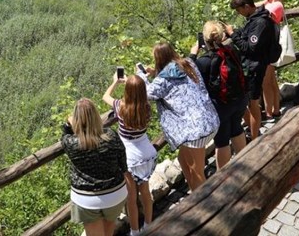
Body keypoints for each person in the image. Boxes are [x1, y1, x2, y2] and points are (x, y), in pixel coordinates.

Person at [137, 42, 219, 191]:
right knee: (182, 159)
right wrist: (155, 71)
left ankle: (205, 202)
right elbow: (171, 74)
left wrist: (141, 76)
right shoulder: (187, 63)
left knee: (197, 170)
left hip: (196, 131)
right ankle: (195, 194)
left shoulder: (162, 80)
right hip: (210, 119)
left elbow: (147, 92)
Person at [61, 98, 128, 236]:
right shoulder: (110, 135)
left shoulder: (71, 143)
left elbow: (65, 133)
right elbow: (123, 164)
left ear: (77, 120)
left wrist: (69, 123)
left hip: (87, 199)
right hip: (115, 193)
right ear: (96, 116)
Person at [102, 73, 156, 235]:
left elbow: (105, 96)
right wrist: (133, 82)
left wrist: (115, 82)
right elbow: (140, 92)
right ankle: (149, 225)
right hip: (146, 154)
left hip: (129, 158)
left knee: (131, 198)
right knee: (145, 193)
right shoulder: (146, 107)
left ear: (127, 91)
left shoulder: (121, 107)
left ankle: (134, 231)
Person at [190, 21, 247, 169]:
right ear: (222, 36)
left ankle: (223, 180)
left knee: (222, 141)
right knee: (237, 129)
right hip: (239, 100)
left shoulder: (203, 62)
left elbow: (188, 78)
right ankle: (247, 166)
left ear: (204, 39)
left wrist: (192, 54)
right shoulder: (231, 50)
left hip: (220, 106)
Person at [225, 0, 279, 141]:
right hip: (250, 67)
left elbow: (250, 48)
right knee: (247, 102)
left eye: (239, 10)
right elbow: (247, 35)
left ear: (247, 6)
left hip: (255, 69)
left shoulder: (260, 22)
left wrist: (233, 35)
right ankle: (253, 132)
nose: (238, 13)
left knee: (253, 104)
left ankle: (255, 139)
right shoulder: (254, 19)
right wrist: (234, 33)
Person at [261, 0, 284, 120]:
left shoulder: (276, 5)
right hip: (270, 46)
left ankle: (268, 112)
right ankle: (275, 109)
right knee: (272, 79)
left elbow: (258, 13)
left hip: (268, 47)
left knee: (266, 81)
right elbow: (254, 5)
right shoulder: (269, 2)